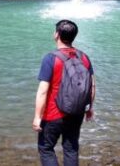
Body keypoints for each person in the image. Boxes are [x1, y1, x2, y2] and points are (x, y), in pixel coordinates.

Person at [33, 20, 96, 166]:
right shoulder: (84, 57)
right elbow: (92, 85)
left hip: (53, 114)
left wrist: (37, 117)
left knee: (46, 148)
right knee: (71, 148)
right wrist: (90, 108)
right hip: (77, 112)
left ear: (57, 35)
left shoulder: (50, 58)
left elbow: (43, 91)